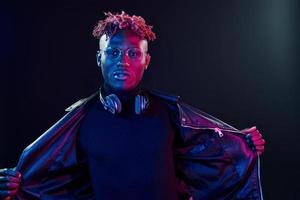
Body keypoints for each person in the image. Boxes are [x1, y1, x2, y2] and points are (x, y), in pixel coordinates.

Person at [0, 11, 265, 200]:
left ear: (146, 60)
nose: (123, 62)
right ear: (98, 58)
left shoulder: (171, 112)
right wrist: (14, 185)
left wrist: (242, 144)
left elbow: (214, 159)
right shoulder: (79, 121)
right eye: (113, 53)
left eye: (133, 53)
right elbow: (47, 185)